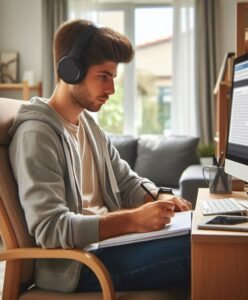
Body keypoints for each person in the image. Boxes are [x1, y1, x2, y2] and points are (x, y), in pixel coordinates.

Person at [9, 19, 191, 293]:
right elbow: (50, 228)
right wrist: (132, 220)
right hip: (77, 266)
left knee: (201, 237)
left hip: (108, 247)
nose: (111, 90)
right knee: (200, 251)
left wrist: (161, 197)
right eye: (103, 76)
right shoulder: (36, 135)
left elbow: (128, 182)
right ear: (70, 71)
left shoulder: (90, 127)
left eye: (113, 78)